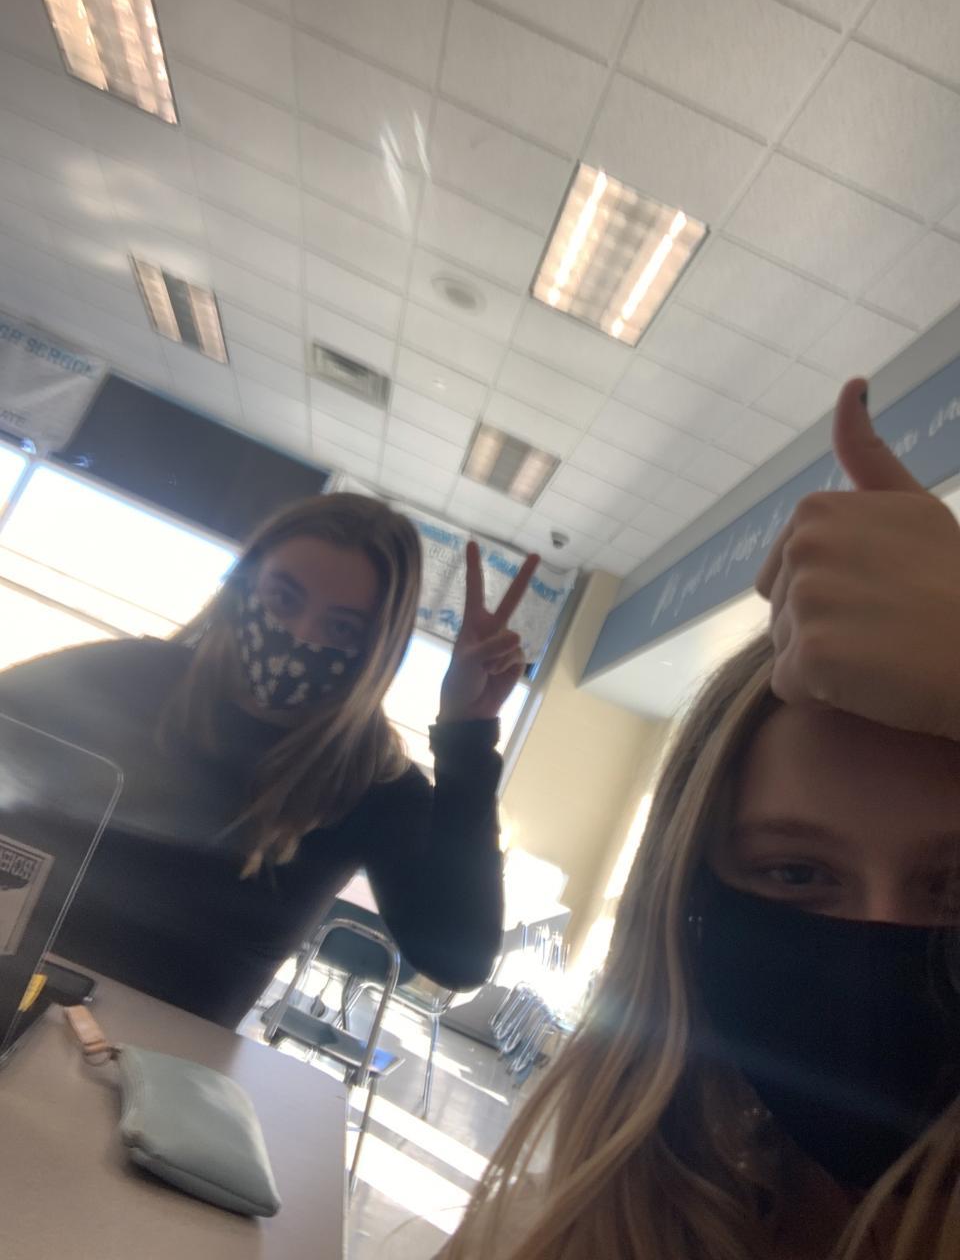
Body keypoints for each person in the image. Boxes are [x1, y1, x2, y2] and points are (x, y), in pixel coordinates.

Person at [442, 378, 960, 1260]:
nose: (877, 952)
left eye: (956, 889)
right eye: (797, 874)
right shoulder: (545, 1236)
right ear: (688, 903)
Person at [0, 493, 538, 1028]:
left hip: (144, 1066)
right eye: (283, 599)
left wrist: (467, 735)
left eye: (342, 628)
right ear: (244, 585)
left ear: (378, 647)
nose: (300, 636)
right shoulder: (127, 678)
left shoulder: (370, 784)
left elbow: (458, 959)